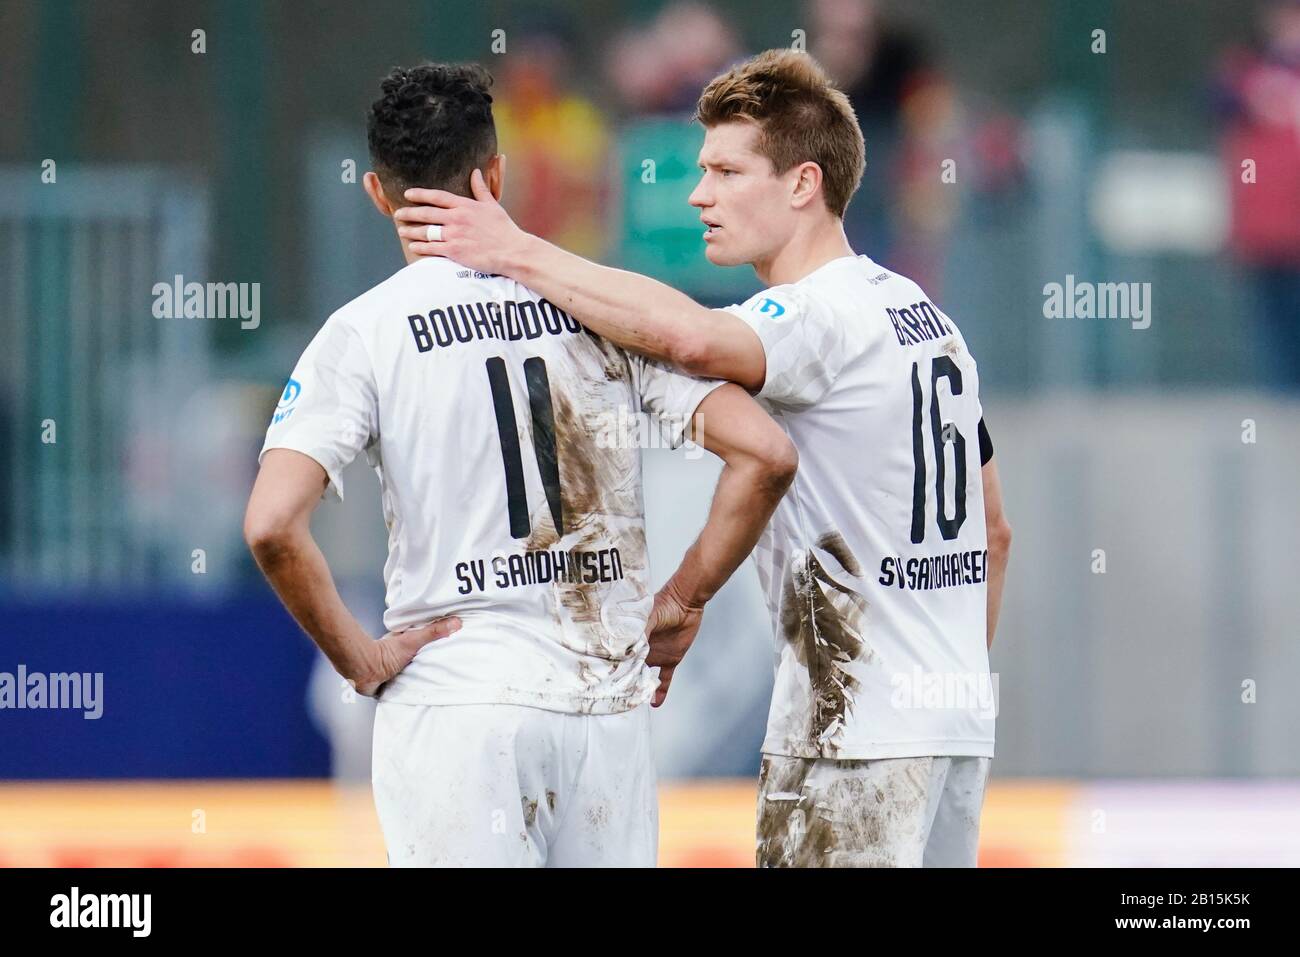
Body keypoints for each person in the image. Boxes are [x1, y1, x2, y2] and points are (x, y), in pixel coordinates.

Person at [393, 49, 1012, 867]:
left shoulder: (815, 315)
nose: (699, 195)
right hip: (954, 726)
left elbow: (689, 336)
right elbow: (995, 532)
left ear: (802, 184)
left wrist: (518, 252)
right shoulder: (926, 318)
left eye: (726, 171)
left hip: (852, 728)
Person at [243, 63, 796, 867]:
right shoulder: (599, 309)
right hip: (602, 709)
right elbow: (766, 453)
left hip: (457, 706)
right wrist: (683, 596)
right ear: (495, 175)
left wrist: (358, 659)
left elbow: (270, 526)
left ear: (374, 192)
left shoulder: (362, 334)